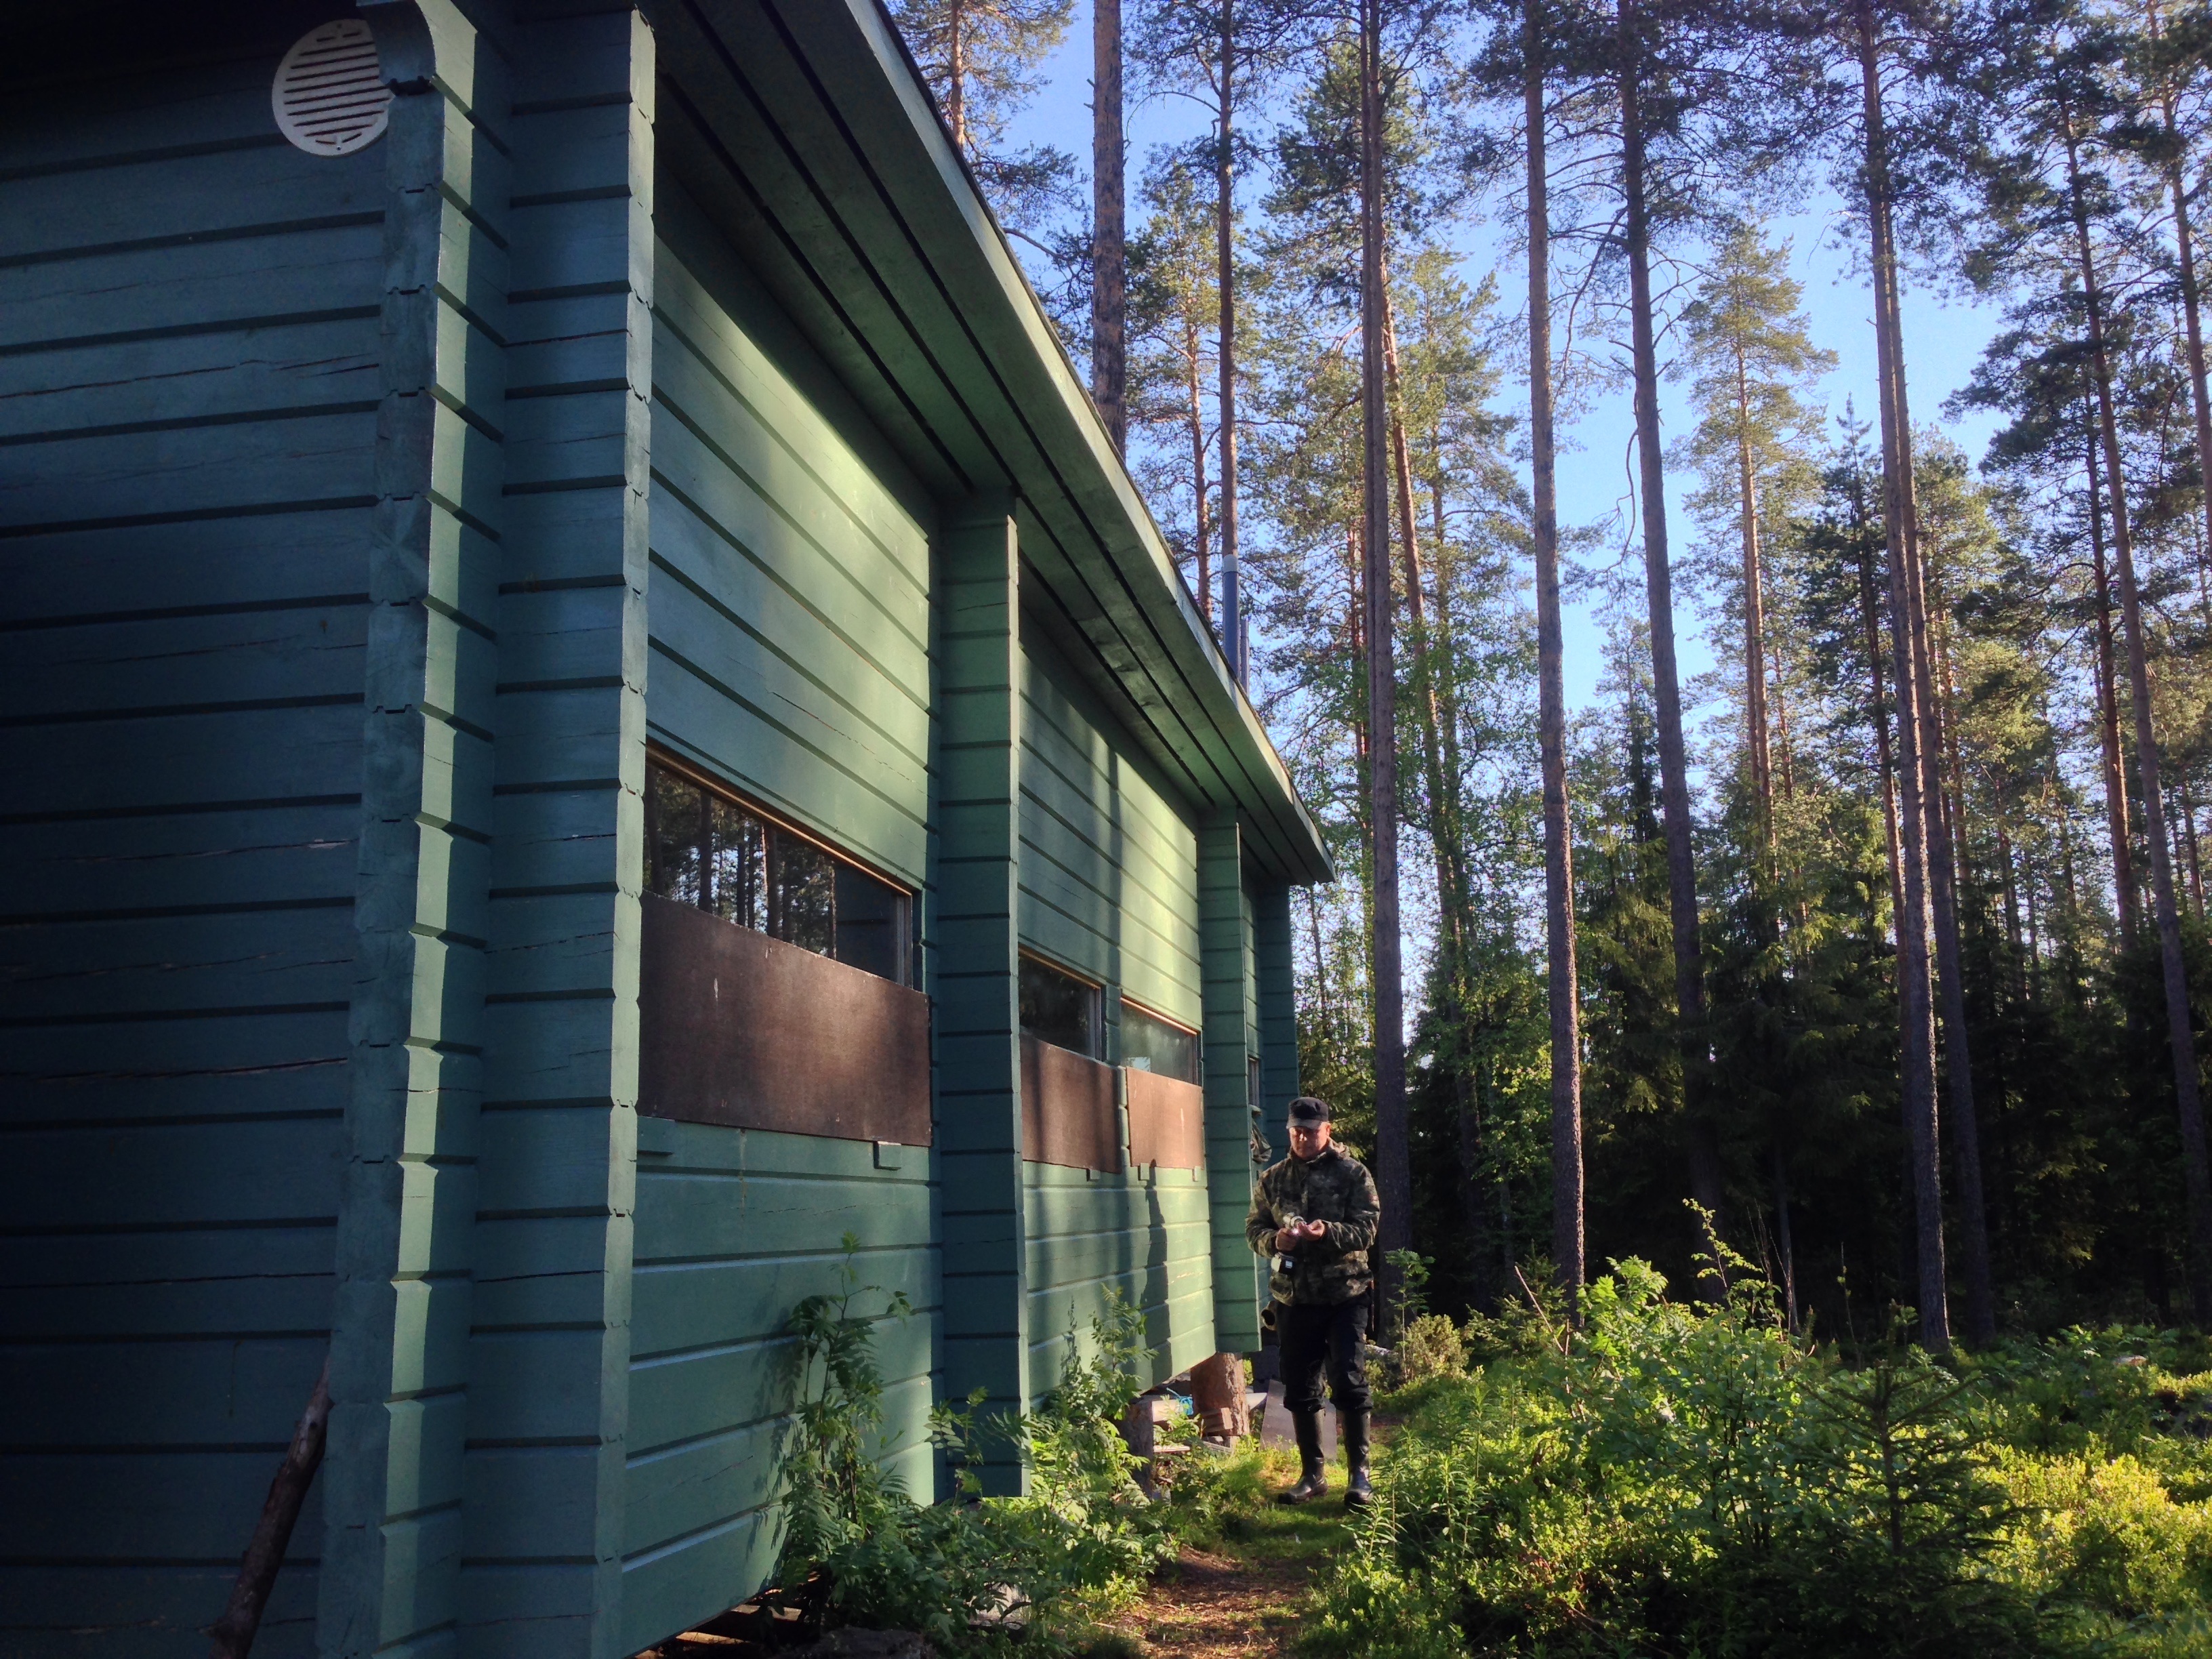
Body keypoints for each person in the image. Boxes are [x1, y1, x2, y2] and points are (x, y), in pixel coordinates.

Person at [1245, 1095, 1380, 1507]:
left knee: (1349, 1380)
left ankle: (1360, 1476)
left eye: (1310, 1131)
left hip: (1345, 1295)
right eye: (1296, 1131)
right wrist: (1275, 1241)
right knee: (1301, 1386)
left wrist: (1328, 1233)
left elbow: (1367, 1229)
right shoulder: (1273, 1179)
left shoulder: (1353, 1173)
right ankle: (1313, 1475)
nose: (1302, 1138)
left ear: (1328, 1131)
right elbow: (1254, 1229)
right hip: (1295, 1298)